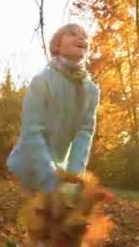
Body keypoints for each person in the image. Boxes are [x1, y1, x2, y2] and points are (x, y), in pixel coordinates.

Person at [6, 23, 100, 203]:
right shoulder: (42, 80)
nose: (81, 38)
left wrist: (72, 179)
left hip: (58, 171)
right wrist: (50, 180)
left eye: (84, 36)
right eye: (73, 34)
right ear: (57, 46)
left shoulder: (91, 90)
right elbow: (32, 132)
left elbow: (84, 134)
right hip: (26, 167)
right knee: (30, 221)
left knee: (60, 223)